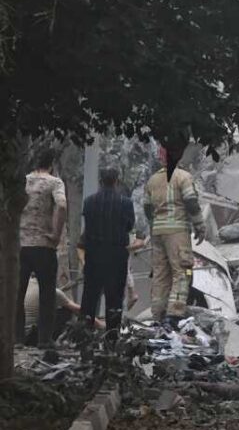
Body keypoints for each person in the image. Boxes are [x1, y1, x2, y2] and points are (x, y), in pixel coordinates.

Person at [143, 139, 207, 325]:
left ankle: (158, 314)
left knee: (160, 274)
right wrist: (200, 226)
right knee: (182, 271)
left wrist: (154, 224)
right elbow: (191, 202)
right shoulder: (183, 177)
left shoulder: (152, 180)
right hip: (177, 231)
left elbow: (147, 207)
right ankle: (174, 314)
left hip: (158, 232)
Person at [15, 147, 67, 347]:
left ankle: (17, 339)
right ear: (51, 164)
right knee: (47, 294)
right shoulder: (54, 182)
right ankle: (44, 340)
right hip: (44, 245)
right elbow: (61, 205)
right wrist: (56, 234)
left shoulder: (23, 181)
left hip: (21, 244)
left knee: (18, 294)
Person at [79, 167, 138, 342]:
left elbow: (87, 227)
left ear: (100, 181)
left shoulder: (89, 202)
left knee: (90, 296)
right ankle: (111, 338)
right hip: (116, 256)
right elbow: (129, 226)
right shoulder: (125, 203)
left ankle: (84, 336)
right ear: (116, 181)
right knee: (114, 298)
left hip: (93, 256)